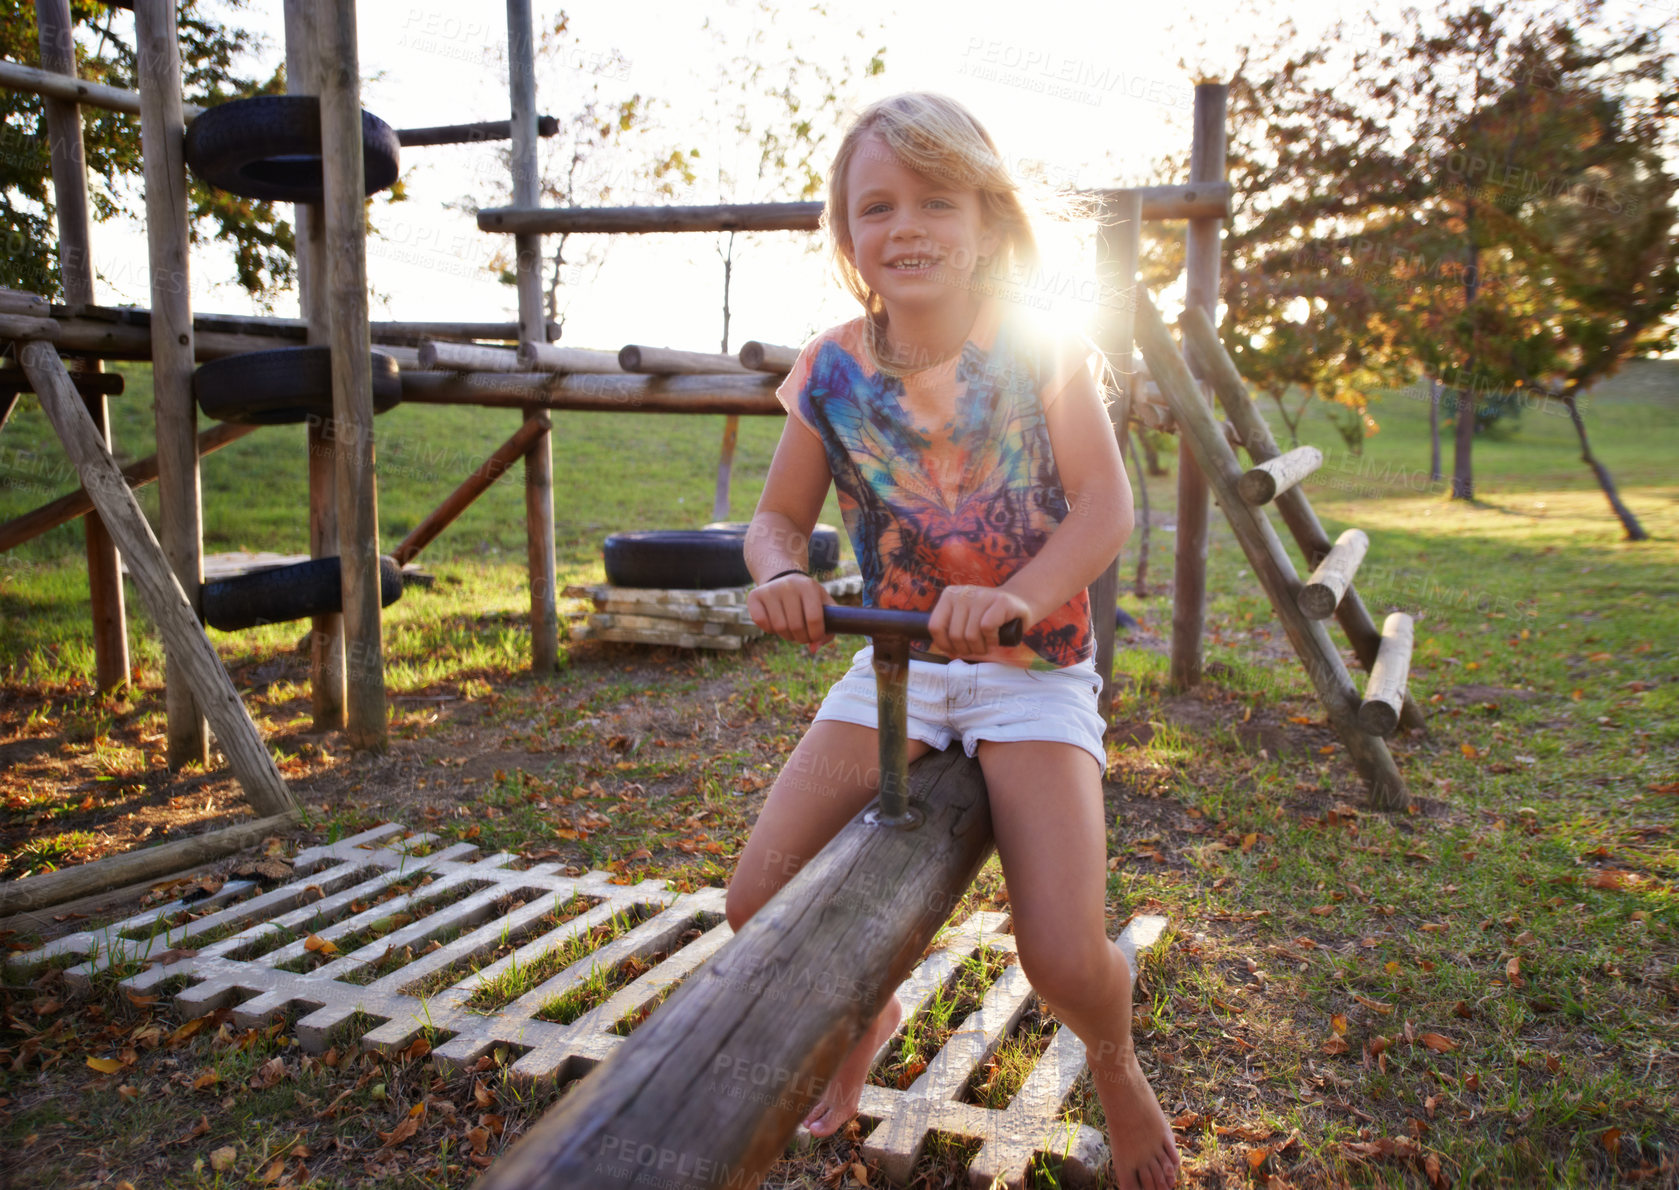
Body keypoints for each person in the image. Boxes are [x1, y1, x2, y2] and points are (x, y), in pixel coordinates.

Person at [725, 92, 1180, 1190]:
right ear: (846, 237)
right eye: (876, 205)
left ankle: (1117, 1069)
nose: (907, 226)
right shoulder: (828, 370)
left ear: (986, 221)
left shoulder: (1037, 345)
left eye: (937, 199)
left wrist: (1012, 597)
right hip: (898, 668)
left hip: (1029, 674)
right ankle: (867, 1010)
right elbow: (777, 516)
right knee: (756, 899)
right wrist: (782, 572)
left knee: (1062, 954)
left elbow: (1102, 511)